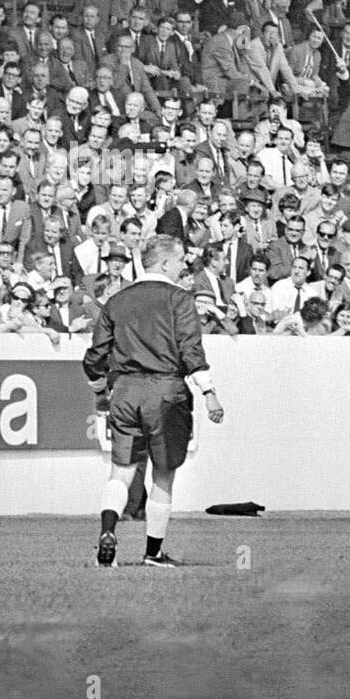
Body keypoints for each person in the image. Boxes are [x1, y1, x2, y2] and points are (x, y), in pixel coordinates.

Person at [83, 235, 226, 568]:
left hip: (125, 391)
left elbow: (94, 357)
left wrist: (100, 391)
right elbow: (191, 350)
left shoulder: (117, 301)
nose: (183, 267)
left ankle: (108, 532)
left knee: (121, 471)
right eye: (179, 261)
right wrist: (209, 392)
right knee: (163, 474)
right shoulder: (180, 299)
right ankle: (153, 552)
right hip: (165, 391)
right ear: (164, 262)